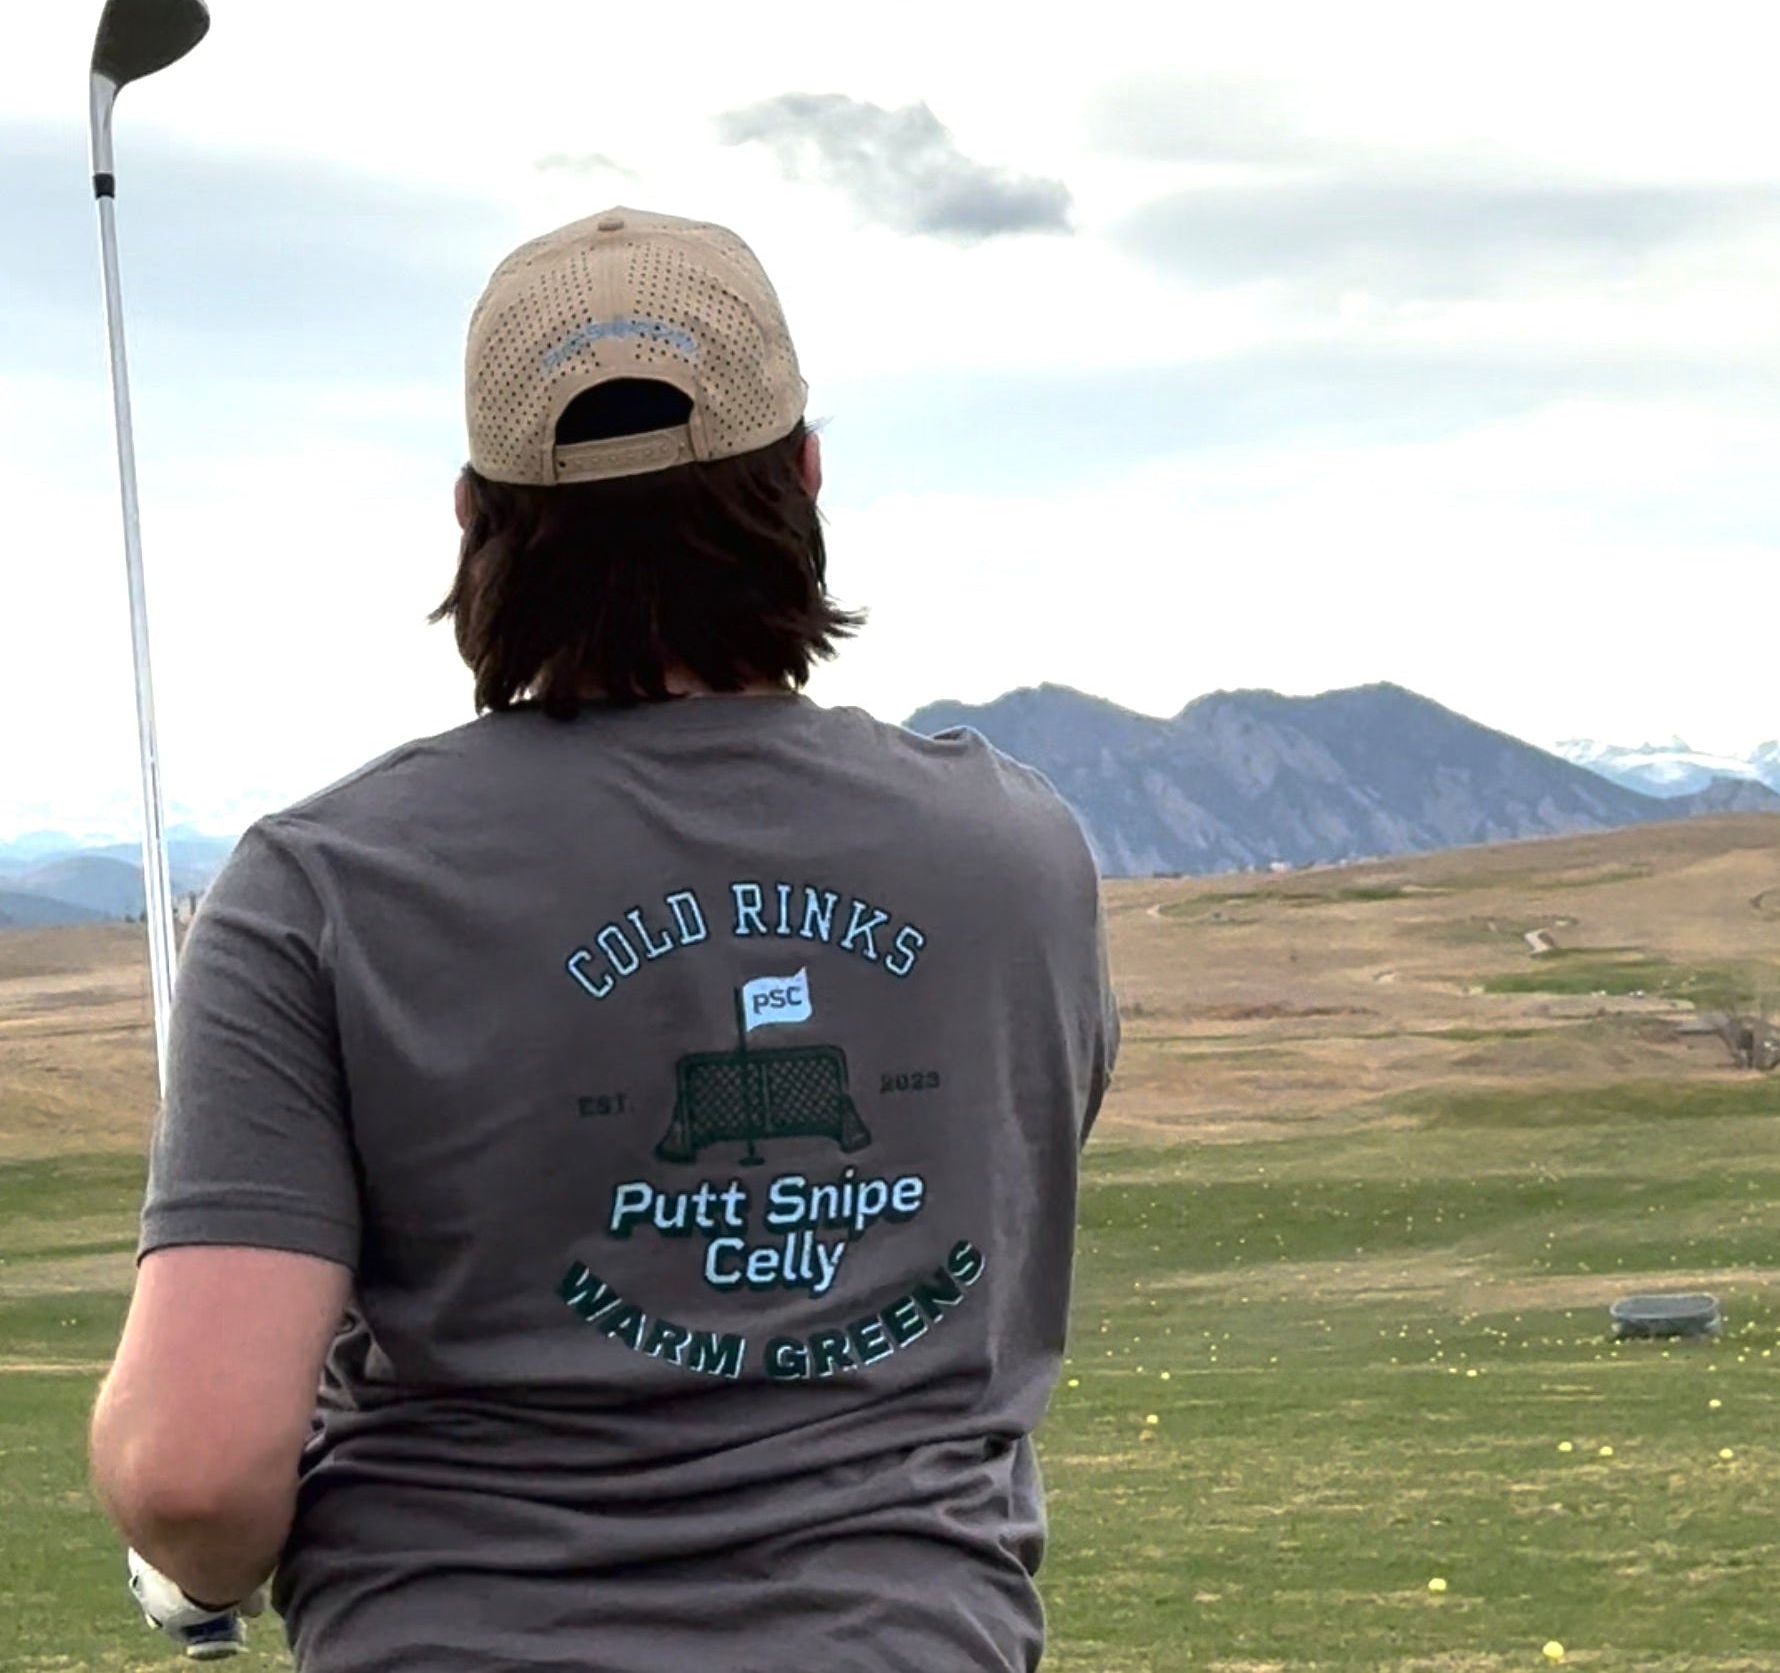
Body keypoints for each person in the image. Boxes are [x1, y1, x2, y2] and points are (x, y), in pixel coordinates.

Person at [89, 207, 1119, 1672]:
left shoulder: (318, 886)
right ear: (805, 476)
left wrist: (190, 1568)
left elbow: (196, 1473)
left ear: (474, 521)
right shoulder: (1018, 853)